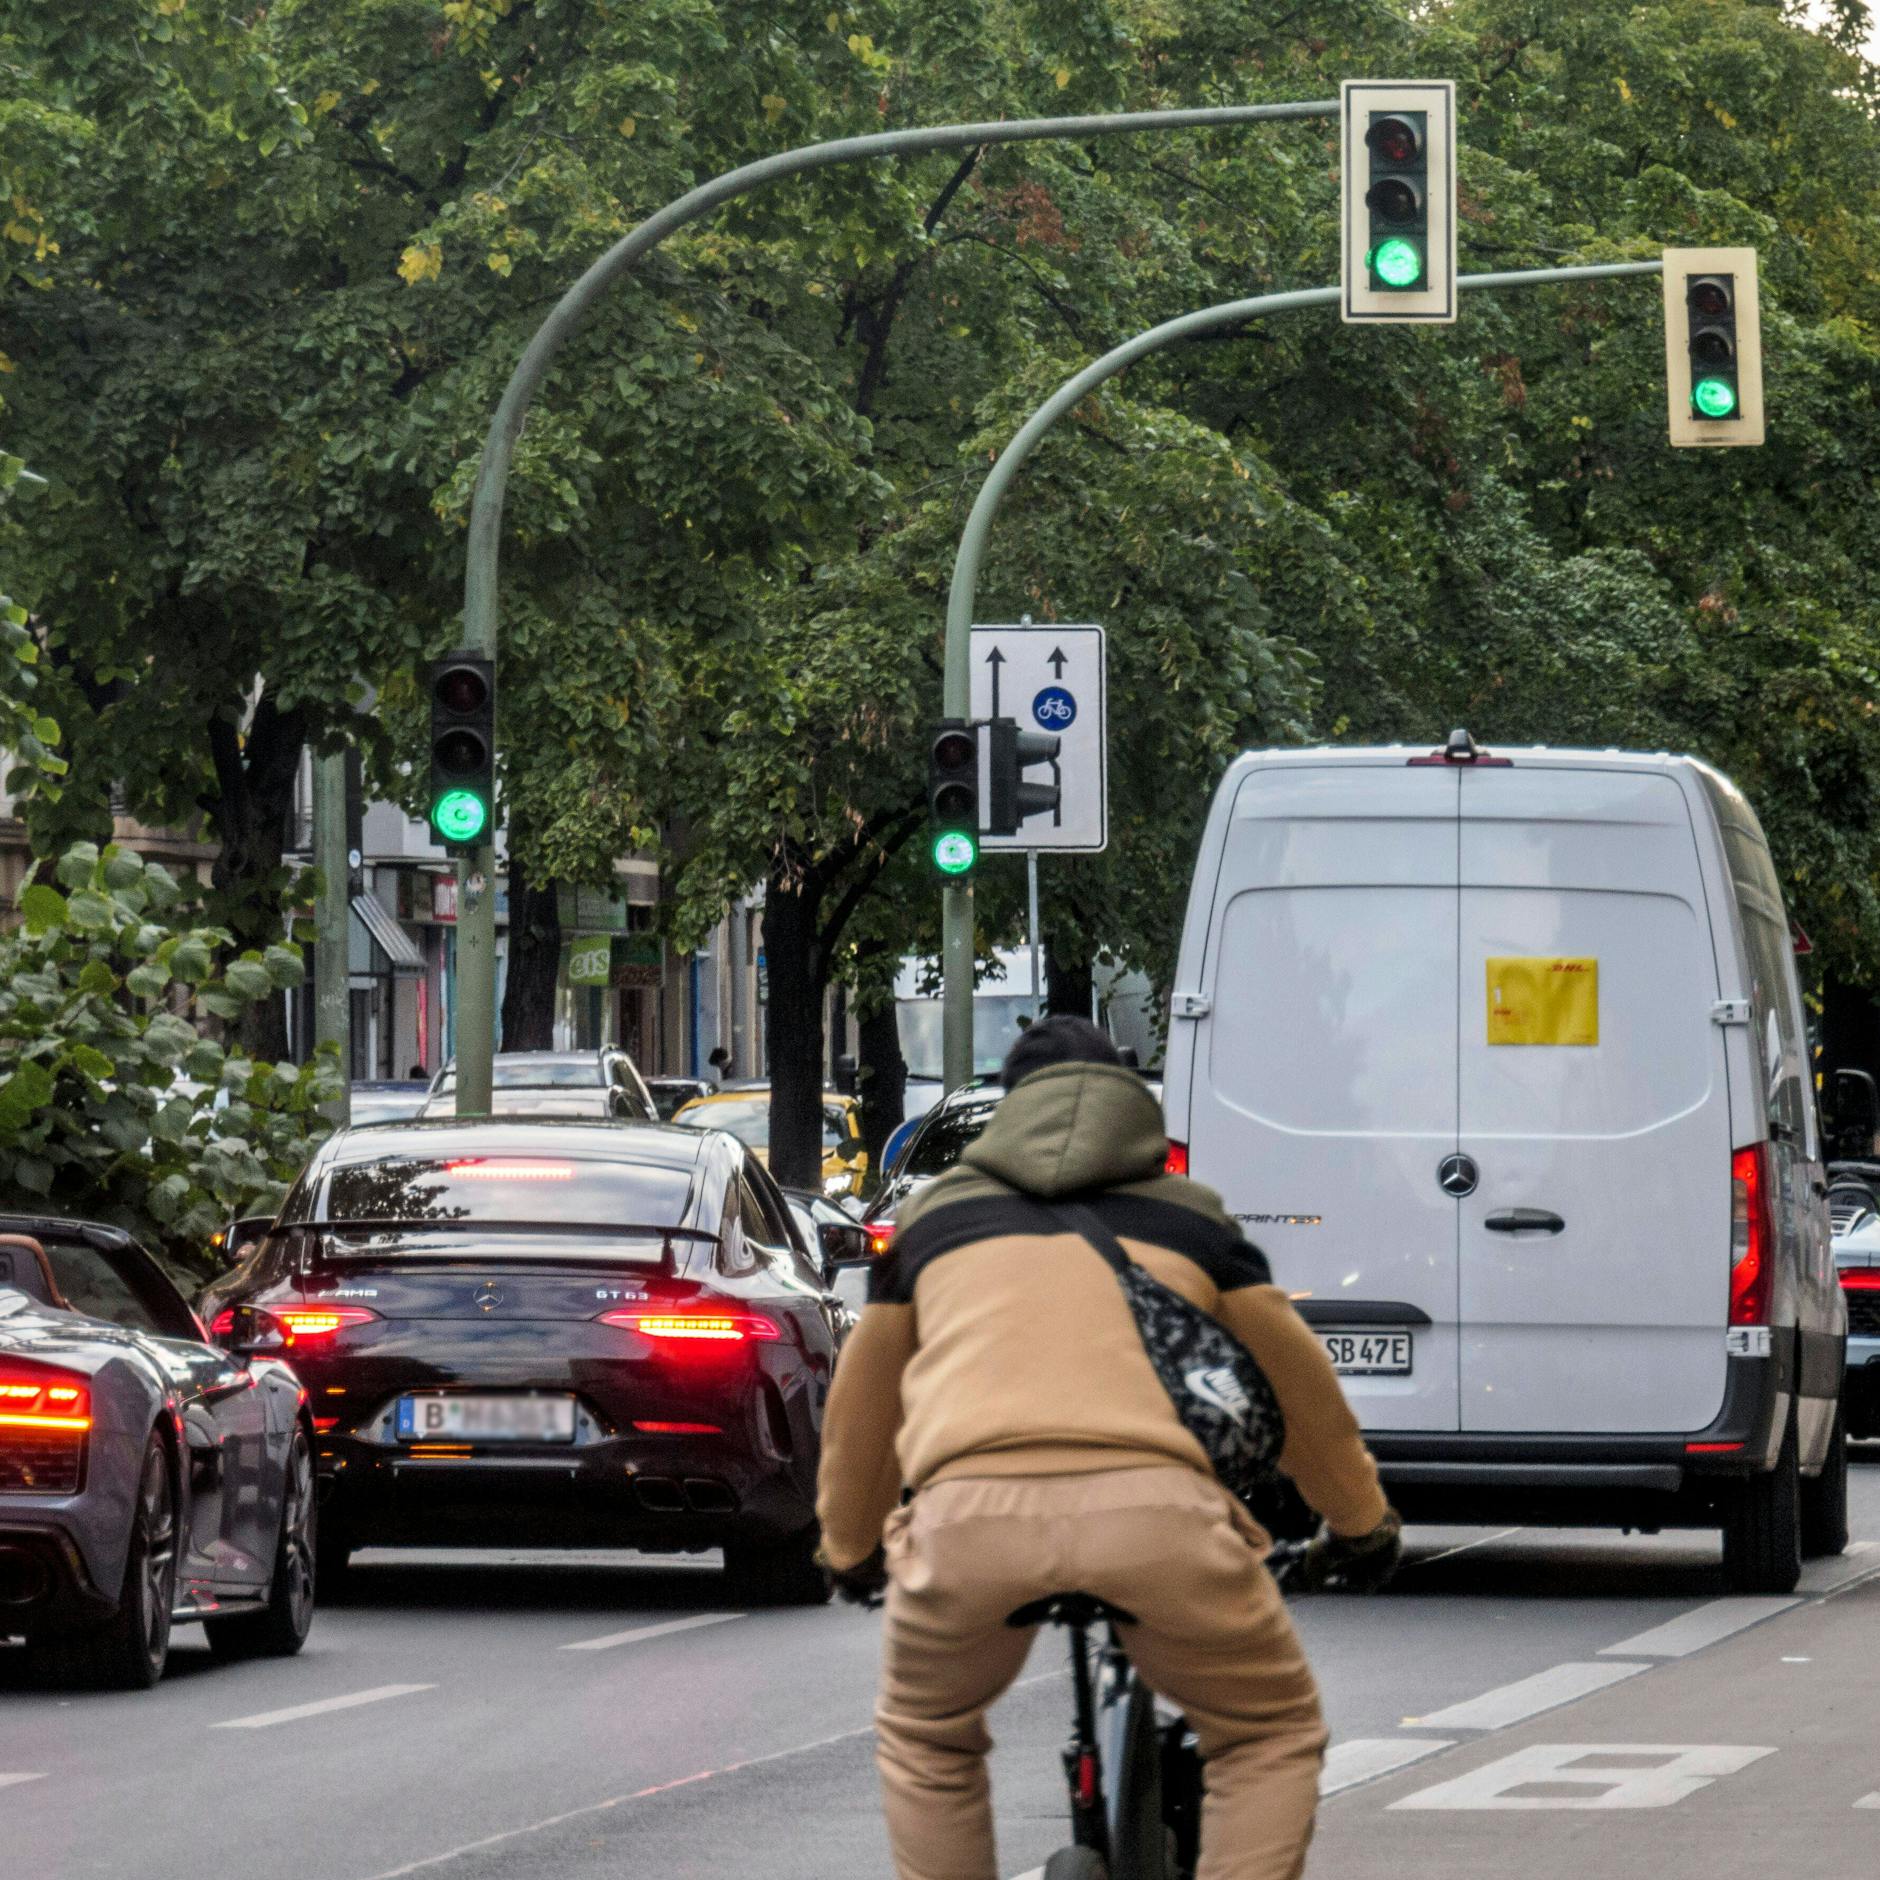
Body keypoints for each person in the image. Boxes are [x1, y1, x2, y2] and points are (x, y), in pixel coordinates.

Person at [816, 1015, 1400, 1880]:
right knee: (1266, 1733)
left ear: (1009, 1114)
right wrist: (1360, 1524)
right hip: (1161, 1523)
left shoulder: (936, 1224)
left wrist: (852, 1549)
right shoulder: (1194, 1224)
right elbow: (1299, 1389)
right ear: (1133, 1109)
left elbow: (863, 1412)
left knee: (928, 1739)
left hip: (969, 1523)